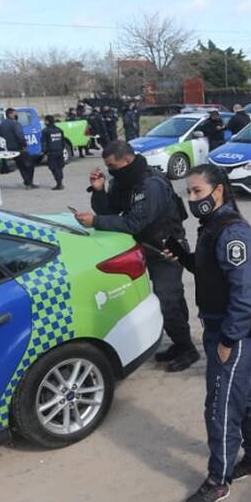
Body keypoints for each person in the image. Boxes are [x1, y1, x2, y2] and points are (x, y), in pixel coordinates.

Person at [164, 165, 251, 502]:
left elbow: (245, 295)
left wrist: (228, 339)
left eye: (198, 191)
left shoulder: (232, 232)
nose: (192, 198)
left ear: (219, 191)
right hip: (220, 329)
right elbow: (210, 270)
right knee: (243, 397)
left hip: (232, 334)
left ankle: (218, 480)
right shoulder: (211, 226)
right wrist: (183, 257)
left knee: (220, 407)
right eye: (189, 192)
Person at [71, 141, 198, 372]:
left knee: (168, 300)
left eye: (112, 165)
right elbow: (110, 211)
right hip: (142, 249)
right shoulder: (122, 181)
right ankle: (180, 343)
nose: (109, 170)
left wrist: (95, 221)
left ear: (127, 160)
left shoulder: (152, 184)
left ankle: (187, 348)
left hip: (166, 251)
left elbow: (134, 222)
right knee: (167, 300)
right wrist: (99, 191)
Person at [0, 107, 35, 188]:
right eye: (14, 113)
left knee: (21, 166)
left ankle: (27, 182)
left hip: (10, 148)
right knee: (29, 164)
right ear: (10, 114)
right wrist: (24, 145)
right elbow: (19, 135)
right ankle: (29, 182)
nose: (16, 115)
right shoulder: (15, 123)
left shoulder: (2, 124)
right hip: (19, 147)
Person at [41, 114, 67, 191]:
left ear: (47, 121)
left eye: (45, 121)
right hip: (59, 152)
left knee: (54, 168)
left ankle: (59, 184)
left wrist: (44, 152)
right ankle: (60, 182)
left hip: (51, 153)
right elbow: (63, 142)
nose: (44, 122)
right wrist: (61, 149)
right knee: (60, 167)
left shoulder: (45, 131)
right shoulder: (59, 130)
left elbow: (44, 143)